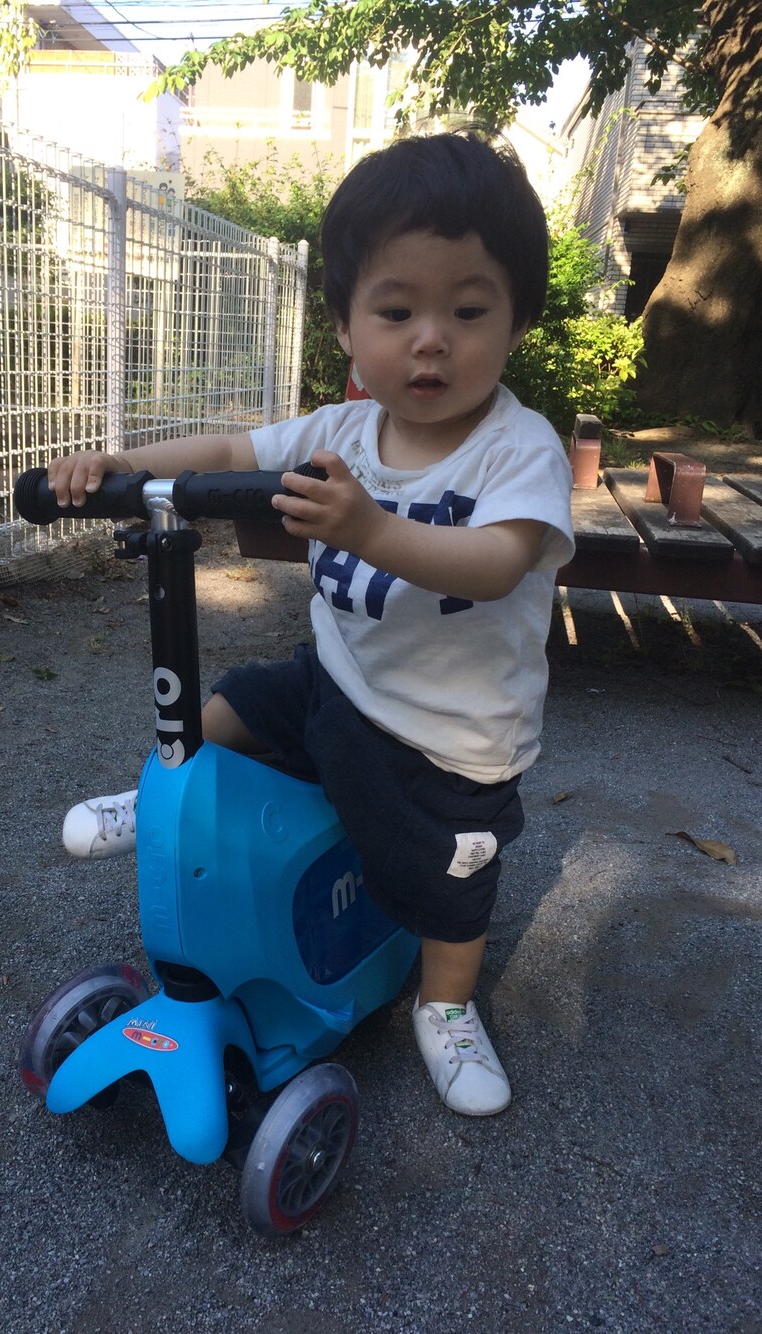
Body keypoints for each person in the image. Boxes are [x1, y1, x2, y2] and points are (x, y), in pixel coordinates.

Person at [46, 130, 575, 1118]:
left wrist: (372, 528)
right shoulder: (339, 431)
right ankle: (158, 801)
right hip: (343, 678)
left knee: (445, 883)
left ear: (515, 323)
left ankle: (447, 1005)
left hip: (449, 736)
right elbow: (227, 449)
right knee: (229, 707)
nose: (431, 338)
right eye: (397, 310)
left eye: (468, 310)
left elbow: (499, 560)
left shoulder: (519, 448)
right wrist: (125, 465)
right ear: (345, 324)